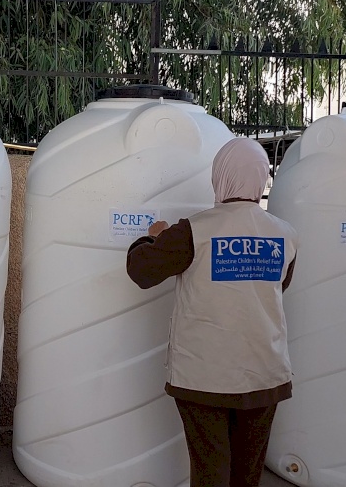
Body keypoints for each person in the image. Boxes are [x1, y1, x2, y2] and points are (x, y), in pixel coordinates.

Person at [126, 138, 298, 487]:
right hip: (265, 376)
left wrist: (153, 238)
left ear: (219, 176)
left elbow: (141, 271)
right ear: (261, 177)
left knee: (210, 472)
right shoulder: (285, 234)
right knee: (247, 473)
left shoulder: (194, 231)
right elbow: (278, 286)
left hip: (204, 379)